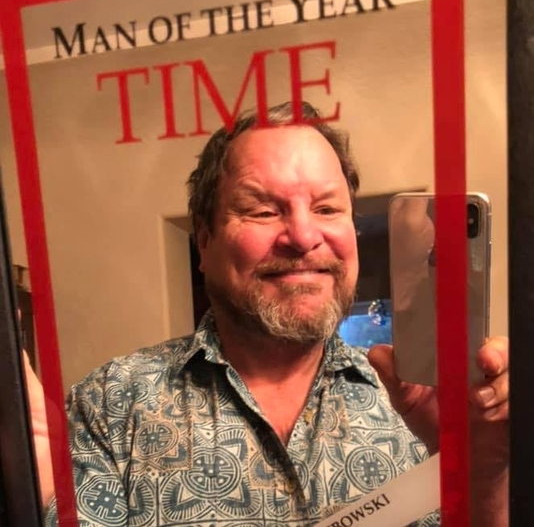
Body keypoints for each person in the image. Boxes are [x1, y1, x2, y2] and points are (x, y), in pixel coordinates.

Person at [28, 101, 508, 526]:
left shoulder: (423, 410)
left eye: (326, 209)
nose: (303, 237)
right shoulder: (111, 405)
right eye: (262, 211)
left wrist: (485, 473)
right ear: (204, 241)